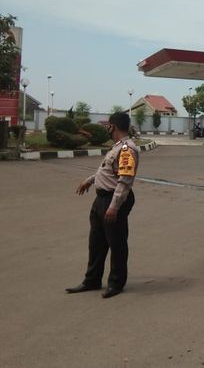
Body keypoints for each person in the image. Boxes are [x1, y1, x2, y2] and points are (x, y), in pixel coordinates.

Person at [66, 112, 139, 299]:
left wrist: (114, 206)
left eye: (108, 125)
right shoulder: (116, 147)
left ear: (112, 126)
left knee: (116, 242)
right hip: (101, 198)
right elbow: (107, 170)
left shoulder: (126, 149)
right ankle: (91, 280)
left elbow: (124, 180)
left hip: (114, 199)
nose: (106, 128)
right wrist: (90, 181)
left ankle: (116, 283)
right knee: (96, 242)